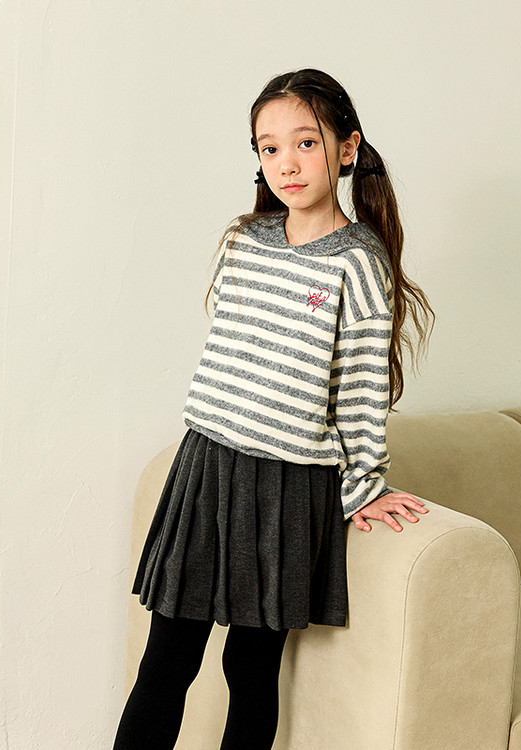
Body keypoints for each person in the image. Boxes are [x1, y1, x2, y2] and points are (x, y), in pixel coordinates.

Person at [113, 68, 434, 750]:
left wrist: (365, 486)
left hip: (289, 485)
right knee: (166, 661)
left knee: (250, 667)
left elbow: (360, 388)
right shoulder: (244, 240)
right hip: (208, 467)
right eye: (269, 147)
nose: (286, 162)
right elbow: (230, 355)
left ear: (347, 149)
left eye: (305, 143)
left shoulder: (359, 261)